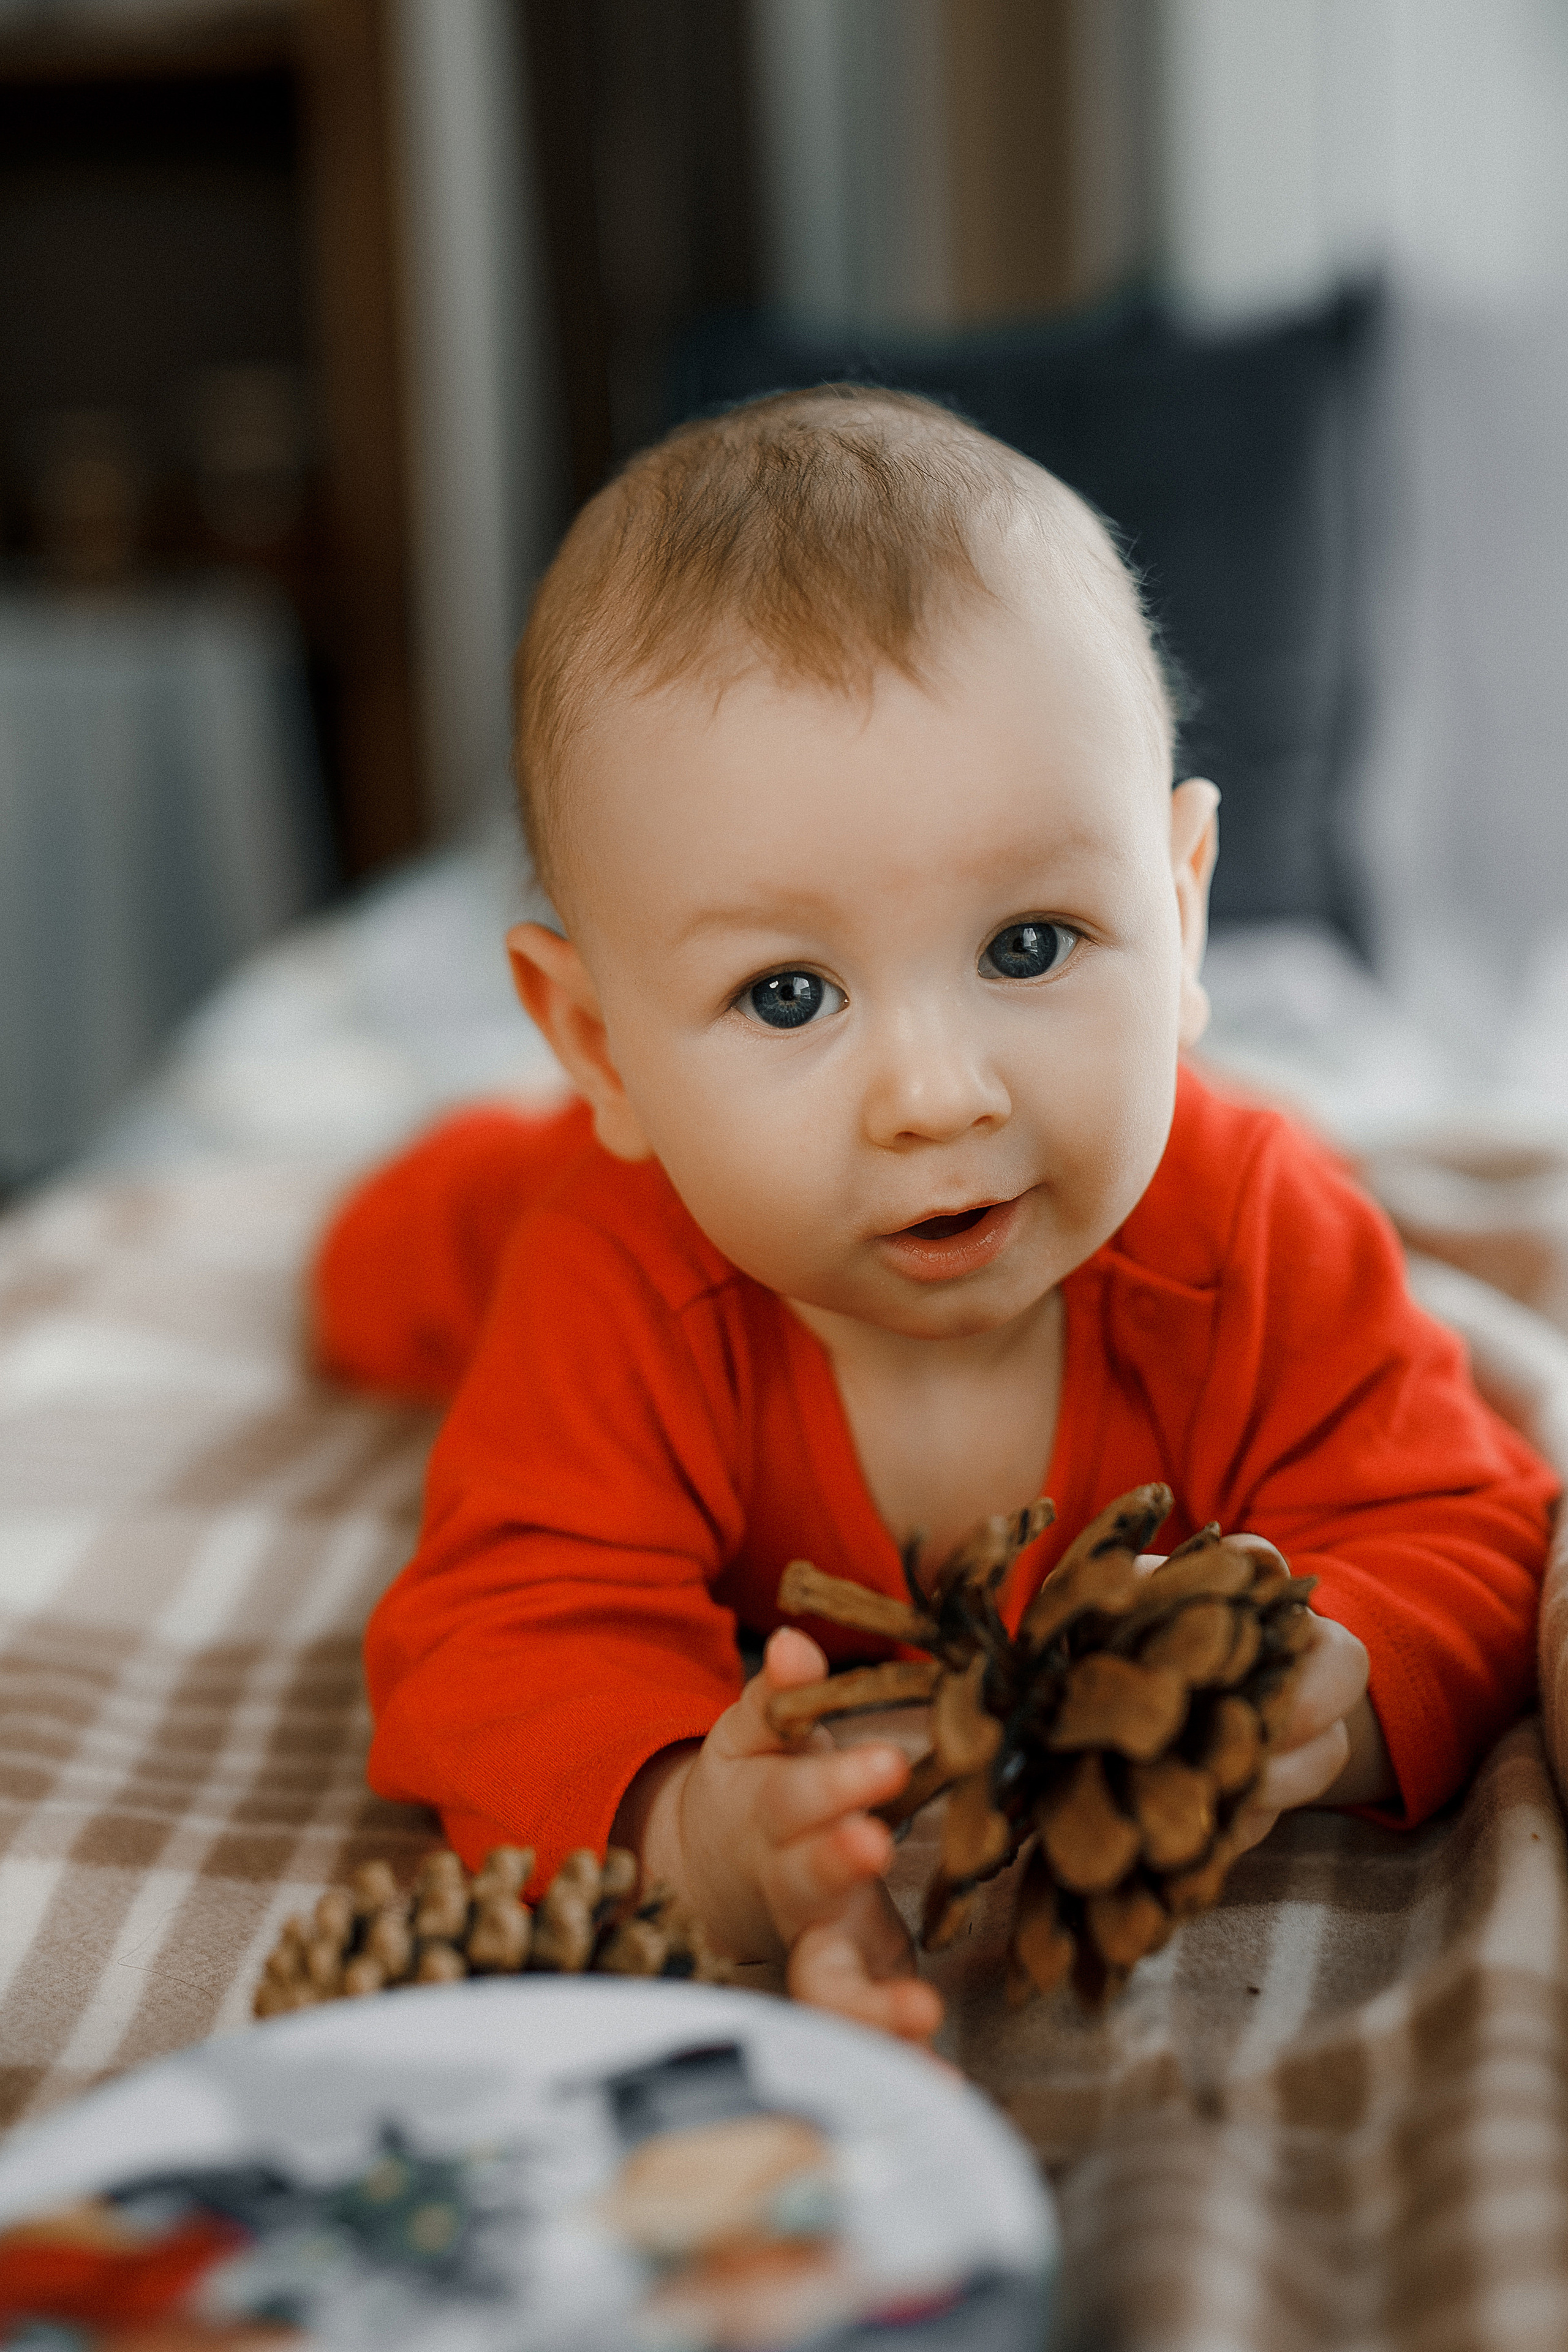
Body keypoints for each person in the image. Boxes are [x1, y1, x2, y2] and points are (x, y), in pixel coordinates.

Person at [315, 387, 1558, 2044]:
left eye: (1030, 946)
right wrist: (694, 1830)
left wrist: (1329, 1687)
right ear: (601, 1046)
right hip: (546, 1201)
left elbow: (1465, 1529)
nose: (936, 1095)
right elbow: (503, 1643)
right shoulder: (611, 1273)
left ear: (1181, 913)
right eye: (788, 992)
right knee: (381, 1269)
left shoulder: (1252, 1228)